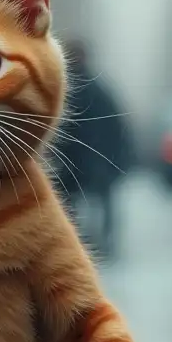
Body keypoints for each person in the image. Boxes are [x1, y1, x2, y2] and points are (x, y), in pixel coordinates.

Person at [55, 39, 133, 259]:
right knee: (102, 200)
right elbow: (119, 126)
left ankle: (71, 241)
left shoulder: (65, 88)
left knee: (68, 202)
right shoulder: (102, 89)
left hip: (75, 159)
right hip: (98, 159)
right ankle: (105, 241)